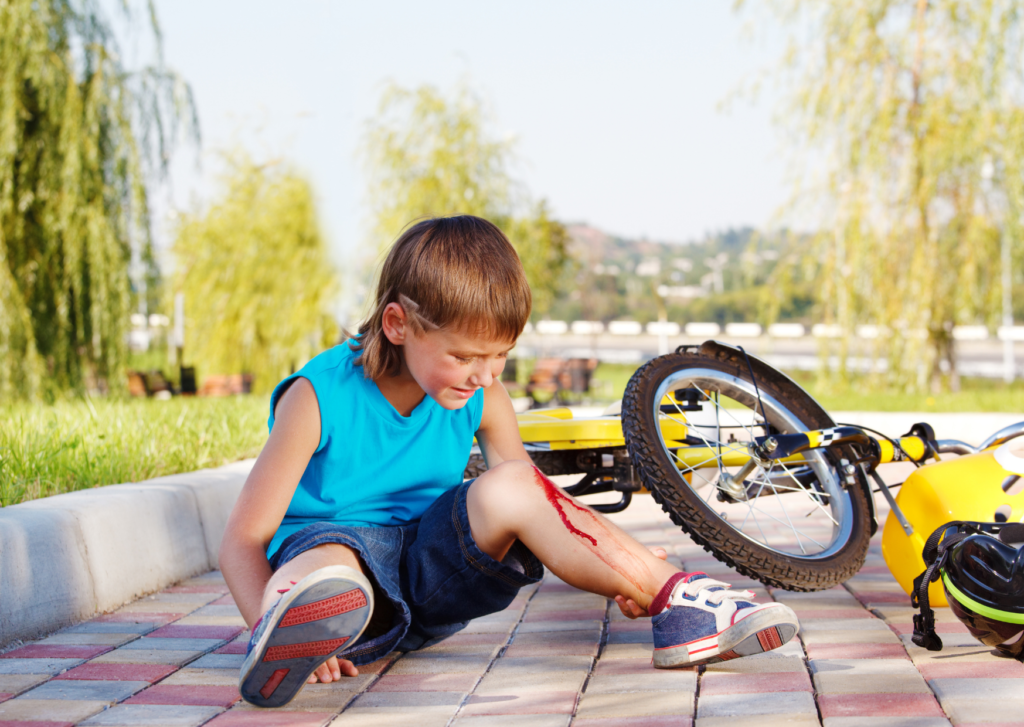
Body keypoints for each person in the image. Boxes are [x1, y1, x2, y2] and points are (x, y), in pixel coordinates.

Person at [219, 215, 800, 708]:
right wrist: (257, 626)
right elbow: (242, 542)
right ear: (397, 324)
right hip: (346, 570)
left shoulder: (480, 395)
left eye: (501, 355)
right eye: (465, 355)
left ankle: (676, 599)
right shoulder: (318, 397)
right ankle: (292, 626)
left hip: (429, 569)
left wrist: (621, 564)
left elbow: (536, 504)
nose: (486, 375)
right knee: (330, 562)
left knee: (515, 482)